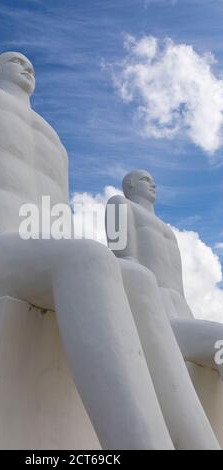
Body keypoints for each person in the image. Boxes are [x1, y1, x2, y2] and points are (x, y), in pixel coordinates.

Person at [0, 53, 174, 450]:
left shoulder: (54, 139)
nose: (27, 67)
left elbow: (60, 214)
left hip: (44, 251)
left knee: (138, 279)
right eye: (15, 60)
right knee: (89, 257)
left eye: (31, 64)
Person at [106, 169, 221, 449]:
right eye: (146, 179)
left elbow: (177, 283)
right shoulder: (120, 205)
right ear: (131, 184)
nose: (153, 184)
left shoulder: (167, 229)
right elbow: (122, 257)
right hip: (154, 310)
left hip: (180, 308)